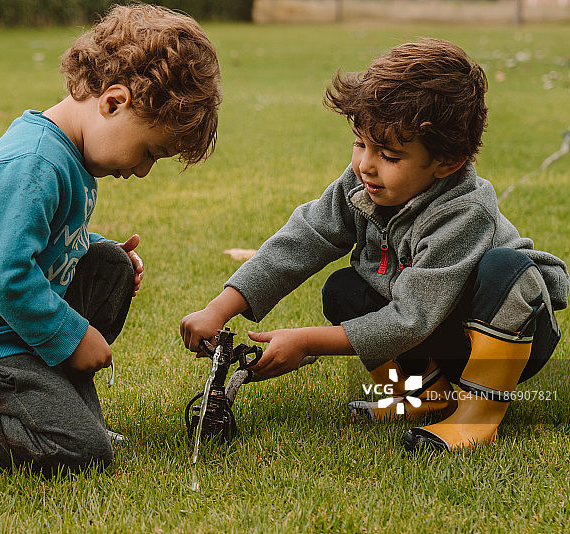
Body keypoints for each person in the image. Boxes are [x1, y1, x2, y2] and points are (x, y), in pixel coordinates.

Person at [0, 3, 222, 474]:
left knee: (109, 264)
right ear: (113, 102)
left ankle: (56, 398)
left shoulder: (71, 156)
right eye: (149, 152)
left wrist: (95, 247)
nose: (143, 170)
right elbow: (6, 272)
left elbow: (41, 236)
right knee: (82, 448)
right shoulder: (33, 163)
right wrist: (72, 337)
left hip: (5, 325)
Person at [180, 38, 568, 452]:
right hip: (433, 326)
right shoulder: (363, 185)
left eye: (390, 155)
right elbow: (302, 240)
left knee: (506, 270)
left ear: (447, 162)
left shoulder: (464, 212)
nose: (366, 165)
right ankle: (422, 395)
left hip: (506, 337)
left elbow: (411, 319)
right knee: (345, 288)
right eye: (360, 143)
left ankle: (477, 417)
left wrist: (308, 341)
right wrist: (219, 309)